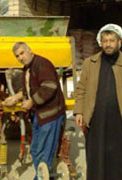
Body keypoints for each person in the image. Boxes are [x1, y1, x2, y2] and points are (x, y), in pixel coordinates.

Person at [5, 42, 66, 179]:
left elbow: (49, 87)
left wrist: (32, 101)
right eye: (17, 56)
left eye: (22, 53)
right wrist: (16, 97)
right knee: (34, 149)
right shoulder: (27, 68)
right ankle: (42, 175)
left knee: (45, 150)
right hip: (39, 114)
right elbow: (30, 88)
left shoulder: (42, 65)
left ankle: (42, 176)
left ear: (29, 51)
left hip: (50, 114)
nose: (20, 57)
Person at [74, 24, 122, 180]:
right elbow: (81, 89)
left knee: (117, 156)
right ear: (100, 42)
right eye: (105, 41)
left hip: (118, 121)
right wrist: (79, 111)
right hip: (96, 119)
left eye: (111, 40)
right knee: (96, 156)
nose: (108, 44)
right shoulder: (90, 63)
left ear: (119, 42)